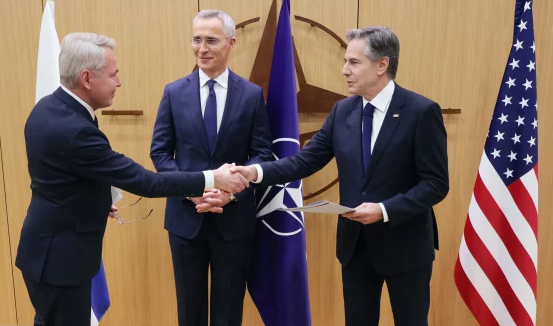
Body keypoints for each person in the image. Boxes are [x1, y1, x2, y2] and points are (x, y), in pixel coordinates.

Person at [16, 32, 248, 326]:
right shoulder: (75, 129)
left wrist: (95, 201)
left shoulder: (50, 108)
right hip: (60, 261)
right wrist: (212, 178)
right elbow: (147, 183)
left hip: (46, 250)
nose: (119, 82)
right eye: (113, 75)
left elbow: (62, 177)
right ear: (87, 78)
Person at [232, 26, 449, 326]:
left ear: (382, 65)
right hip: (355, 248)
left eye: (354, 62)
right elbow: (305, 161)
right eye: (346, 61)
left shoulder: (421, 112)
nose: (344, 70)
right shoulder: (342, 111)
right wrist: (254, 172)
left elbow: (435, 184)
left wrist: (384, 210)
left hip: (406, 247)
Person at [149, 10, 272, 326]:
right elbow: (160, 153)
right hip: (185, 220)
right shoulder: (174, 92)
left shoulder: (251, 95)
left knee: (228, 312)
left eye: (211, 40)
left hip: (233, 221)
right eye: (196, 39)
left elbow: (262, 155)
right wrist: (190, 190)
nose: (201, 48)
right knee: (189, 312)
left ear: (231, 44)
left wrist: (230, 195)